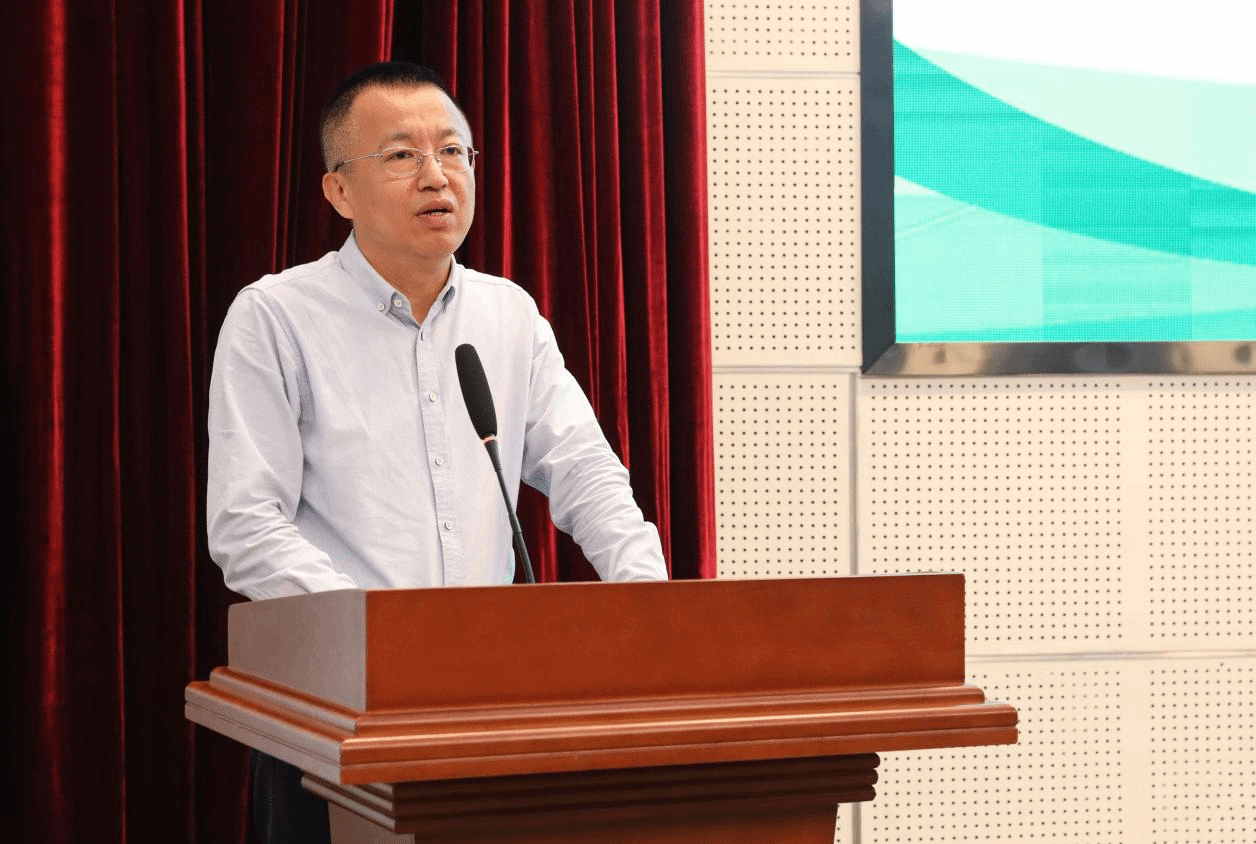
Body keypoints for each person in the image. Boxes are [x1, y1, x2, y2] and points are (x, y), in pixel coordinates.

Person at [206, 61, 668, 844]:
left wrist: (651, 605)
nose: (436, 175)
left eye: (453, 151)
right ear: (339, 191)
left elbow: (587, 473)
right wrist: (380, 643)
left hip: (488, 705)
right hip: (336, 710)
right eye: (401, 154)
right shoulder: (276, 317)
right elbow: (246, 526)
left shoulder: (508, 315)